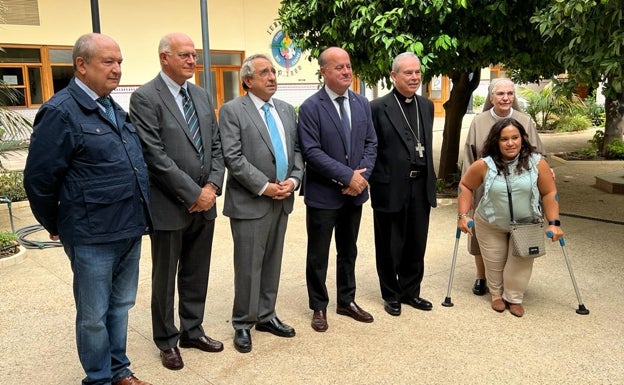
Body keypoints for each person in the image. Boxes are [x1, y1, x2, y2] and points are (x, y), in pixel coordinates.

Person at [24, 33, 152, 385]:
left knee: (121, 305)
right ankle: (99, 378)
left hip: (128, 227)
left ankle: (119, 370)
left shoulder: (112, 106)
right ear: (81, 65)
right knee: (94, 314)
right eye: (108, 62)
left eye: (120, 62)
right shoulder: (60, 111)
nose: (117, 69)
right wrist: (56, 223)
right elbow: (39, 179)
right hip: (91, 233)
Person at [129, 33, 225, 370]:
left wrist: (211, 187)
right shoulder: (145, 97)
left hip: (206, 202)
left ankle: (192, 330)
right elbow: (153, 156)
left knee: (197, 272)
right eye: (184, 55)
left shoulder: (200, 94)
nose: (191, 61)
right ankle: (167, 340)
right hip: (170, 206)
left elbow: (215, 146)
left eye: (194, 55)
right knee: (165, 276)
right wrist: (192, 193)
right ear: (164, 57)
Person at [218, 54, 304, 353]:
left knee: (272, 263)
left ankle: (266, 315)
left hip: (282, 199)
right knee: (248, 267)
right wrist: (265, 187)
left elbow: (295, 150)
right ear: (247, 81)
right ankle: (243, 321)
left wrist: (293, 181)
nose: (272, 77)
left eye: (273, 71)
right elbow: (233, 157)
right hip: (251, 201)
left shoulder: (284, 109)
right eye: (264, 72)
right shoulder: (232, 111)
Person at [298, 46, 378, 332]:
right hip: (324, 195)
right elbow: (312, 152)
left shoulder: (361, 103)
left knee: (348, 250)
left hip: (354, 195)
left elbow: (371, 143)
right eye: (338, 67)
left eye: (348, 66)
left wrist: (361, 178)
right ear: (324, 72)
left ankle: (347, 300)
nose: (346, 71)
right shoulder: (310, 107)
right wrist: (347, 177)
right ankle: (319, 305)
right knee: (318, 254)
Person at [457, 117, 563, 317]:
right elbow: (466, 186)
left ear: (522, 139)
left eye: (515, 137)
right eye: (504, 139)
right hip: (491, 222)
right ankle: (496, 295)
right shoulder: (484, 165)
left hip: (526, 224)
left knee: (520, 265)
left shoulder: (537, 163)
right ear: (496, 141)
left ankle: (514, 297)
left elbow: (549, 193)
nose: (510, 143)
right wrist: (463, 215)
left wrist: (554, 223)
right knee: (494, 262)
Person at [463, 78, 545, 296]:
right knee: (483, 236)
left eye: (510, 93)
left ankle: (511, 284)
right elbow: (470, 158)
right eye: (500, 94)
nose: (506, 98)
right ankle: (482, 277)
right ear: (491, 97)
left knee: (517, 233)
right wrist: (467, 194)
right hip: (485, 187)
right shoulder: (479, 121)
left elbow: (537, 154)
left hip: (520, 185)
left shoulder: (524, 120)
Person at [369, 52, 437, 316]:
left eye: (418, 72)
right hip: (390, 185)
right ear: (393, 75)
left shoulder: (427, 106)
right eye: (408, 73)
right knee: (389, 244)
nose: (414, 77)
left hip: (420, 185)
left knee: (416, 241)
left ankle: (411, 291)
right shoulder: (377, 107)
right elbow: (371, 149)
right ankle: (391, 294)